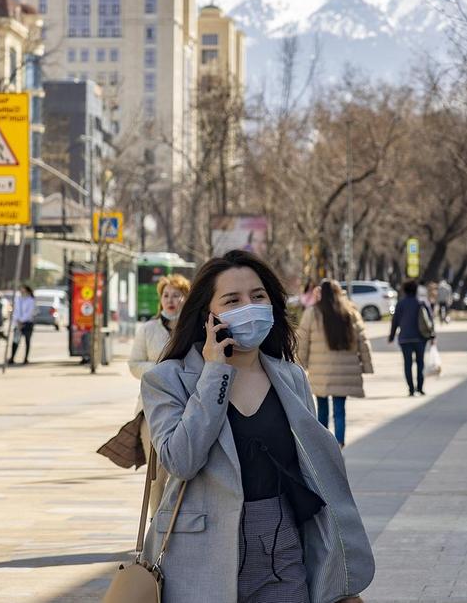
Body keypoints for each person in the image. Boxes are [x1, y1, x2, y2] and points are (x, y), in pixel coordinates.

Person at [141, 250, 372, 602]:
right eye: (232, 300)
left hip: (283, 549)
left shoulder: (290, 377)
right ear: (208, 315)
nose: (249, 306)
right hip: (201, 555)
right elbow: (180, 460)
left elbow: (311, 471)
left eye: (258, 296)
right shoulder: (167, 379)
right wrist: (216, 372)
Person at [126, 273, 190, 516]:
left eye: (177, 295)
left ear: (186, 298)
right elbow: (134, 364)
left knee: (182, 470)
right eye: (166, 295)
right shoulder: (148, 329)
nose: (171, 300)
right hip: (152, 408)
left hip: (187, 406)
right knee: (156, 473)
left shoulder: (193, 328)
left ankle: (178, 526)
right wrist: (160, 370)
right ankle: (156, 523)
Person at [296, 279, 373, 448]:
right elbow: (363, 341)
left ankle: (323, 443)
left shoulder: (313, 313)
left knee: (322, 408)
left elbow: (302, 342)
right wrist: (367, 366)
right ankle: (339, 442)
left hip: (320, 371)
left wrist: (299, 366)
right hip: (343, 372)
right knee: (340, 409)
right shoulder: (350, 312)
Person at [388, 279, 435, 396]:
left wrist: (392, 336)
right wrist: (433, 335)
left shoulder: (400, 304)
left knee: (407, 364)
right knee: (420, 363)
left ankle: (411, 389)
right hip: (420, 338)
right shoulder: (422, 303)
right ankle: (420, 387)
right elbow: (430, 320)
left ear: (404, 291)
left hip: (405, 339)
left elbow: (395, 321)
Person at [9, 284, 35, 365]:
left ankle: (26, 358)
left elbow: (29, 313)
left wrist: (22, 321)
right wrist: (17, 321)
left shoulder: (31, 300)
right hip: (18, 324)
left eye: (23, 289)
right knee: (15, 341)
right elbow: (15, 311)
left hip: (27, 323)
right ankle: (12, 357)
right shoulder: (18, 299)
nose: (21, 291)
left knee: (27, 341)